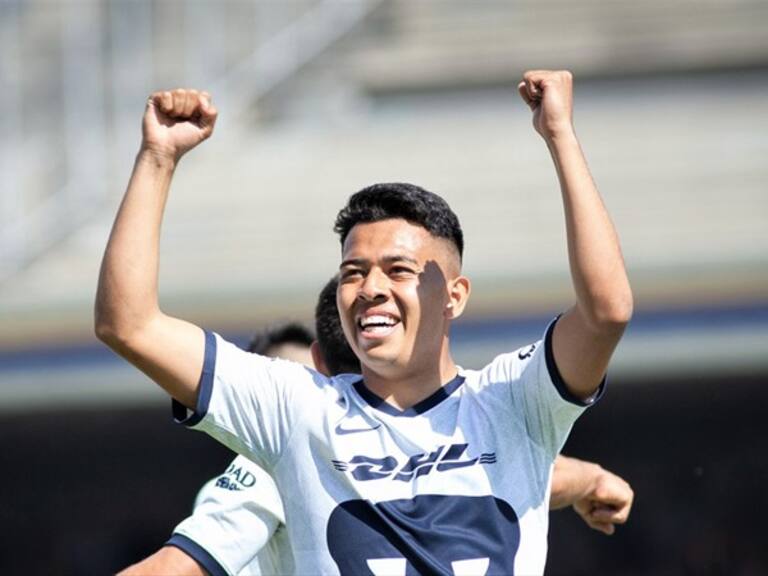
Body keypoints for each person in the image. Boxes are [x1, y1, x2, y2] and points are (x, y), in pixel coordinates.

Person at [96, 70, 632, 573]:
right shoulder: (298, 412)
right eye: (354, 272)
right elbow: (129, 324)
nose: (370, 288)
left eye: (398, 270)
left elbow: (606, 312)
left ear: (454, 295)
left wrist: (560, 134)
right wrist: (158, 157)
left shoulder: (513, 403)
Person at [118, 277, 633, 575]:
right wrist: (589, 478)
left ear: (319, 363)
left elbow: (172, 569)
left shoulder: (284, 456)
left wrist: (585, 479)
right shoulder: (449, 435)